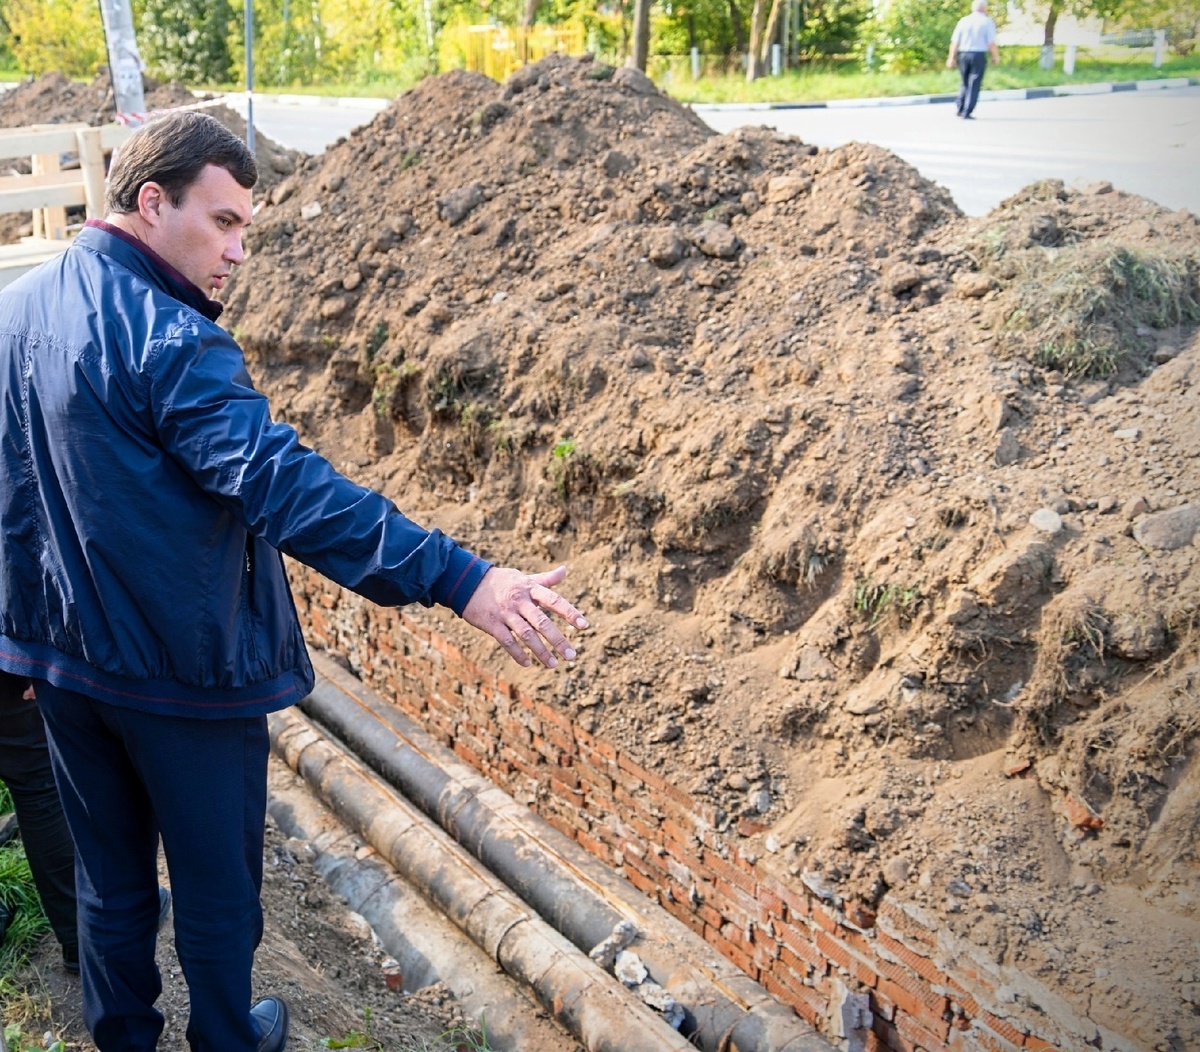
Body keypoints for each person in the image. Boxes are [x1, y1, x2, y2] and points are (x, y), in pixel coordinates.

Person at [0, 110, 587, 1052]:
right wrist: (463, 579)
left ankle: (123, 1041)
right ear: (153, 203)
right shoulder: (170, 340)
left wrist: (15, 641)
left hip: (68, 668)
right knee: (218, 893)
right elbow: (289, 488)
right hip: (184, 678)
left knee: (109, 886)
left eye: (247, 227)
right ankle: (230, 1039)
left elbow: (11, 487)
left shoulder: (21, 308)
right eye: (224, 222)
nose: (239, 250)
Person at [947, 0, 1000, 120]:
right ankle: (967, 110)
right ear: (984, 8)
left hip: (963, 54)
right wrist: (995, 57)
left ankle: (960, 107)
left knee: (964, 81)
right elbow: (991, 43)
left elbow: (955, 41)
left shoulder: (963, 21)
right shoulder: (987, 22)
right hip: (978, 55)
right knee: (974, 83)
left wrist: (951, 58)